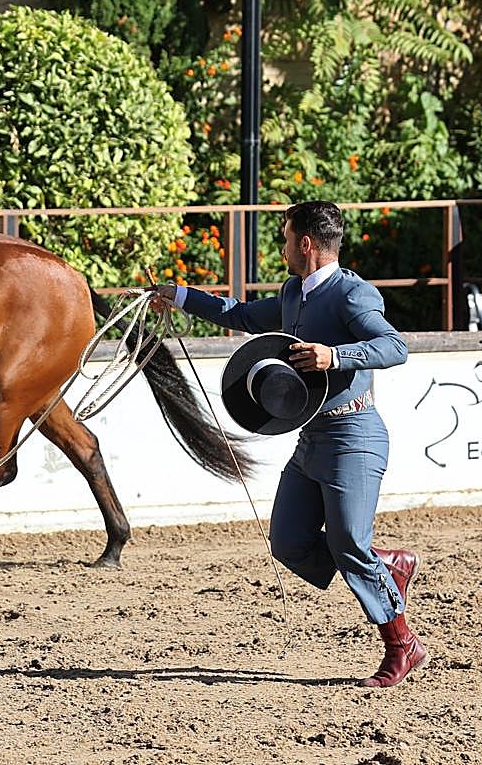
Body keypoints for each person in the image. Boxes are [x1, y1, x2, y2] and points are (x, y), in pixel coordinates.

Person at [151, 199, 427, 687]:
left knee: (346, 543)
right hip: (313, 438)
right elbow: (238, 313)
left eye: (284, 238)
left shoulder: (352, 294)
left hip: (354, 436)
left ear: (305, 243)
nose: (280, 247)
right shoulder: (291, 292)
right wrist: (179, 295)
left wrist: (334, 355)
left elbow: (395, 347)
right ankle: (386, 565)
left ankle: (402, 645)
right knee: (288, 541)